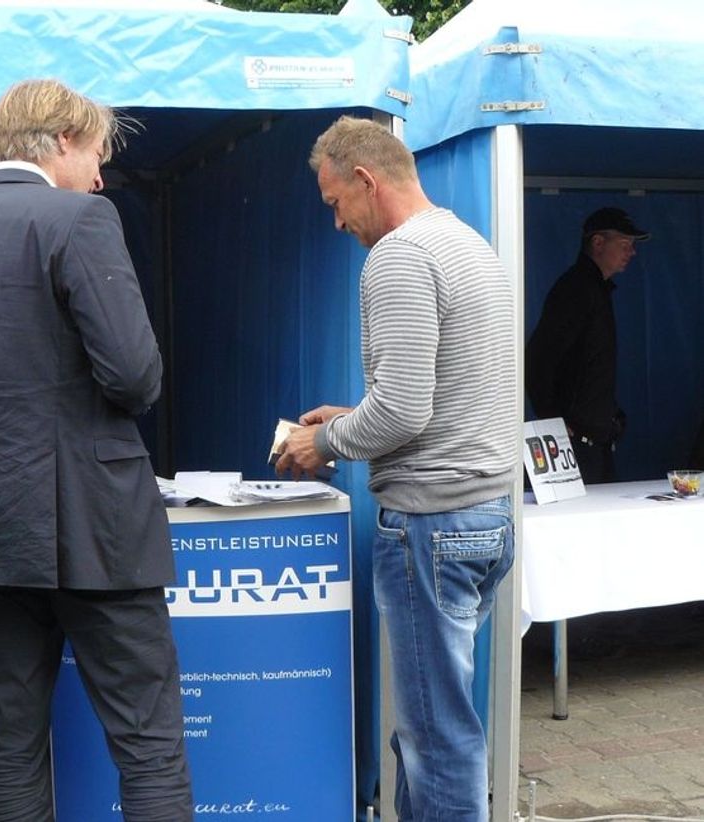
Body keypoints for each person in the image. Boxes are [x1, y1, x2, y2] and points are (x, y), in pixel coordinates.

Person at [0, 79, 193, 822]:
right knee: (146, 740)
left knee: (10, 744)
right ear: (60, 141)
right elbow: (135, 375)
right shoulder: (81, 219)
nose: (100, 174)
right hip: (98, 528)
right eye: (95, 154)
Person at [276, 115, 519, 822]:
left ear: (364, 180)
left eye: (334, 204)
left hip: (431, 527)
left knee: (436, 738)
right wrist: (354, 415)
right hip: (483, 518)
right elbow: (435, 396)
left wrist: (322, 444)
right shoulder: (467, 242)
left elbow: (406, 412)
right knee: (434, 728)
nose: (337, 223)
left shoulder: (400, 257)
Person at [526, 207, 650, 483]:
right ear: (597, 243)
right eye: (625, 244)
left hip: (595, 440)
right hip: (575, 444)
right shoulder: (576, 290)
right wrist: (553, 419)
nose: (632, 252)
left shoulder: (597, 289)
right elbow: (538, 357)